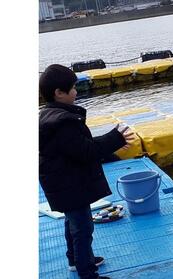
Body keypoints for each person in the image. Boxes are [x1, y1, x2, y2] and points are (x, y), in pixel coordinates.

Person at [39, 64, 134, 279]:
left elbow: (77, 146)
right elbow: (86, 150)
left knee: (71, 221)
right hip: (69, 183)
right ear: (59, 93)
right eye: (72, 88)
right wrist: (115, 138)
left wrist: (112, 143)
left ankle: (75, 260)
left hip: (62, 182)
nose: (76, 91)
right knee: (82, 228)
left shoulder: (49, 115)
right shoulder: (63, 122)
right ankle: (87, 273)